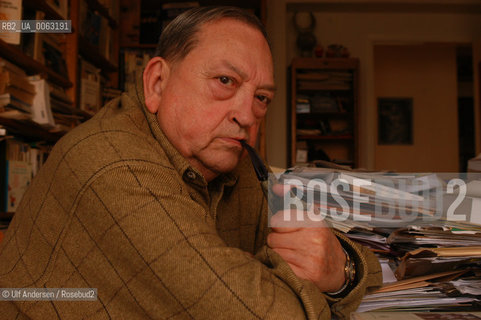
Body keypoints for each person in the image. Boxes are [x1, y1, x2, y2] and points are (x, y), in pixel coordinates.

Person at [0, 6, 381, 319]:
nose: (247, 115)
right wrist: (336, 279)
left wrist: (343, 269)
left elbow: (361, 264)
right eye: (226, 81)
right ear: (157, 83)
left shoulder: (231, 159)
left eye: (262, 97)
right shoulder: (111, 166)